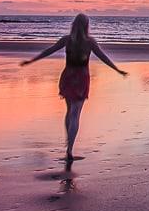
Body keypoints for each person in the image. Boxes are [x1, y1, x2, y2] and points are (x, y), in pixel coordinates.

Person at [20, 13, 127, 160]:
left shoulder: (67, 40)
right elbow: (103, 57)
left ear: (74, 25)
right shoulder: (90, 42)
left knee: (70, 111)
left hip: (68, 77)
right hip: (82, 79)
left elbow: (49, 51)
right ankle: (69, 148)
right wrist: (117, 70)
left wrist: (32, 60)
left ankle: (68, 141)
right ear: (86, 25)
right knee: (75, 114)